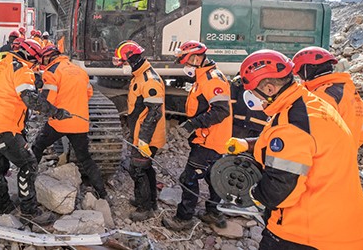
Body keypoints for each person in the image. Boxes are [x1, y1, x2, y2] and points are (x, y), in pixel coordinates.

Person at [225, 49, 363, 250]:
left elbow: (280, 192)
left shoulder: (291, 123)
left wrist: (253, 194)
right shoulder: (312, 105)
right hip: (343, 228)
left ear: (268, 88)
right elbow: (300, 145)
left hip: (307, 234)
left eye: (251, 91)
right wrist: (249, 144)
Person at [0, 39, 71, 225]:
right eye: (36, 62)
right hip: (5, 129)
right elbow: (31, 99)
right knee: (29, 165)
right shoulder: (22, 69)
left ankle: (3, 207)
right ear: (32, 57)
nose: (36, 66)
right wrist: (57, 112)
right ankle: (30, 212)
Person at [162, 40, 232, 230]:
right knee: (213, 176)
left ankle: (184, 218)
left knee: (188, 178)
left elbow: (220, 111)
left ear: (195, 58)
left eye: (186, 62)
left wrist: (193, 124)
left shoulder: (212, 80)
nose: (185, 67)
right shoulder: (204, 77)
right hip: (210, 138)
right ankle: (213, 212)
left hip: (209, 141)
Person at [31, 45, 108, 199]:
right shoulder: (79, 70)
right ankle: (102, 193)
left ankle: (28, 180)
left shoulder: (52, 72)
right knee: (85, 158)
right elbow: (89, 93)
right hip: (80, 122)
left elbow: (47, 101)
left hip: (59, 122)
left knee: (38, 147)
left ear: (49, 57)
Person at [112, 40, 166, 221]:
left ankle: (145, 208)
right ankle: (150, 200)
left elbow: (154, 114)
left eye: (124, 63)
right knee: (146, 168)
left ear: (132, 60)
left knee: (137, 170)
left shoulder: (150, 81)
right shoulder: (140, 75)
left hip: (147, 137)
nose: (123, 67)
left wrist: (143, 140)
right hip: (141, 134)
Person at [292, 46, 363, 148]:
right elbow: (361, 130)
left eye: (299, 73)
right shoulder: (347, 88)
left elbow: (312, 132)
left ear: (307, 70)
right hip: (348, 153)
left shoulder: (322, 95)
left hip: (329, 156)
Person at [229, 74, 269, 138]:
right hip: (239, 127)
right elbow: (230, 106)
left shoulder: (272, 81)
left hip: (262, 129)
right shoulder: (239, 81)